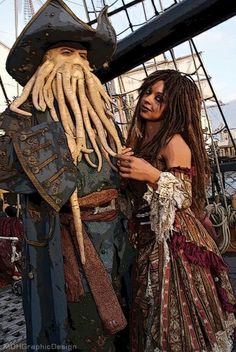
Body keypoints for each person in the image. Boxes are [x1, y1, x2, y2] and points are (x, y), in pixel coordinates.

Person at [0, 0, 131, 350]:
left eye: (84, 57)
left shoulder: (105, 125)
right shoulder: (22, 121)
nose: (78, 62)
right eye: (67, 51)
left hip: (114, 237)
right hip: (62, 243)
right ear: (46, 64)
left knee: (122, 320)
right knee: (73, 322)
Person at [116, 69, 236, 351]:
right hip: (146, 238)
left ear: (175, 108)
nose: (149, 100)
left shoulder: (175, 142)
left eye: (161, 98)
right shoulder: (138, 141)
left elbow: (182, 197)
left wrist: (153, 175)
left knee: (176, 313)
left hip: (175, 244)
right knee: (149, 309)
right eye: (148, 92)